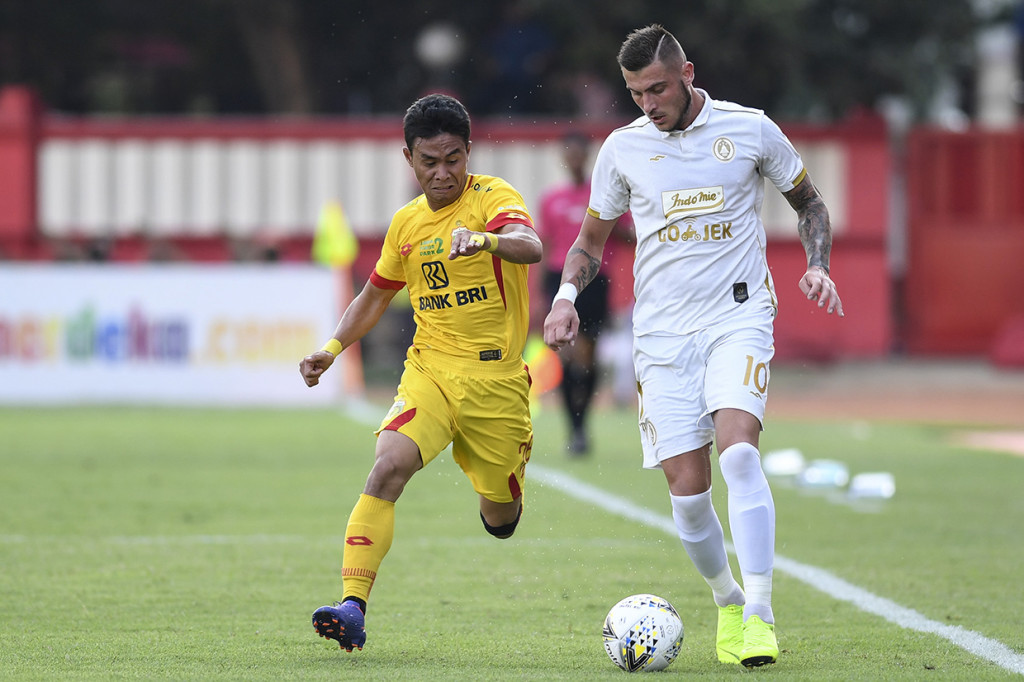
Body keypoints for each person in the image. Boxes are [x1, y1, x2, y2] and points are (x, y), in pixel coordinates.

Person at [544, 24, 844, 669]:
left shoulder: (751, 128)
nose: (648, 104)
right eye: (634, 94)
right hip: (660, 336)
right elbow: (589, 244)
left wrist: (817, 263)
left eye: (656, 88)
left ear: (687, 73)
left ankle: (760, 614)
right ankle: (727, 600)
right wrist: (566, 297)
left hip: (739, 318)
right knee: (688, 492)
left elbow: (810, 203)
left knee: (739, 456)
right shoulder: (623, 150)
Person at [300, 93, 542, 652]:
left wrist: (487, 240)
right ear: (408, 158)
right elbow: (374, 295)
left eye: (453, 159)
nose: (443, 173)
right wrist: (332, 348)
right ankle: (352, 607)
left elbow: (529, 245)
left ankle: (499, 493)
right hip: (429, 372)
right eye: (429, 162)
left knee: (501, 520)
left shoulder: (493, 198)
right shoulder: (406, 224)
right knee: (386, 468)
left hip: (496, 385)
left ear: (469, 152)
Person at [537, 131, 633, 456]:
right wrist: (540, 293)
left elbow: (630, 237)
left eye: (579, 154)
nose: (574, 160)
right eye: (569, 154)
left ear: (588, 156)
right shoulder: (552, 199)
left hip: (594, 280)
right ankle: (574, 429)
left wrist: (615, 223)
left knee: (587, 358)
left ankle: (583, 422)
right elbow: (547, 245)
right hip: (558, 279)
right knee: (564, 356)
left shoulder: (604, 194)